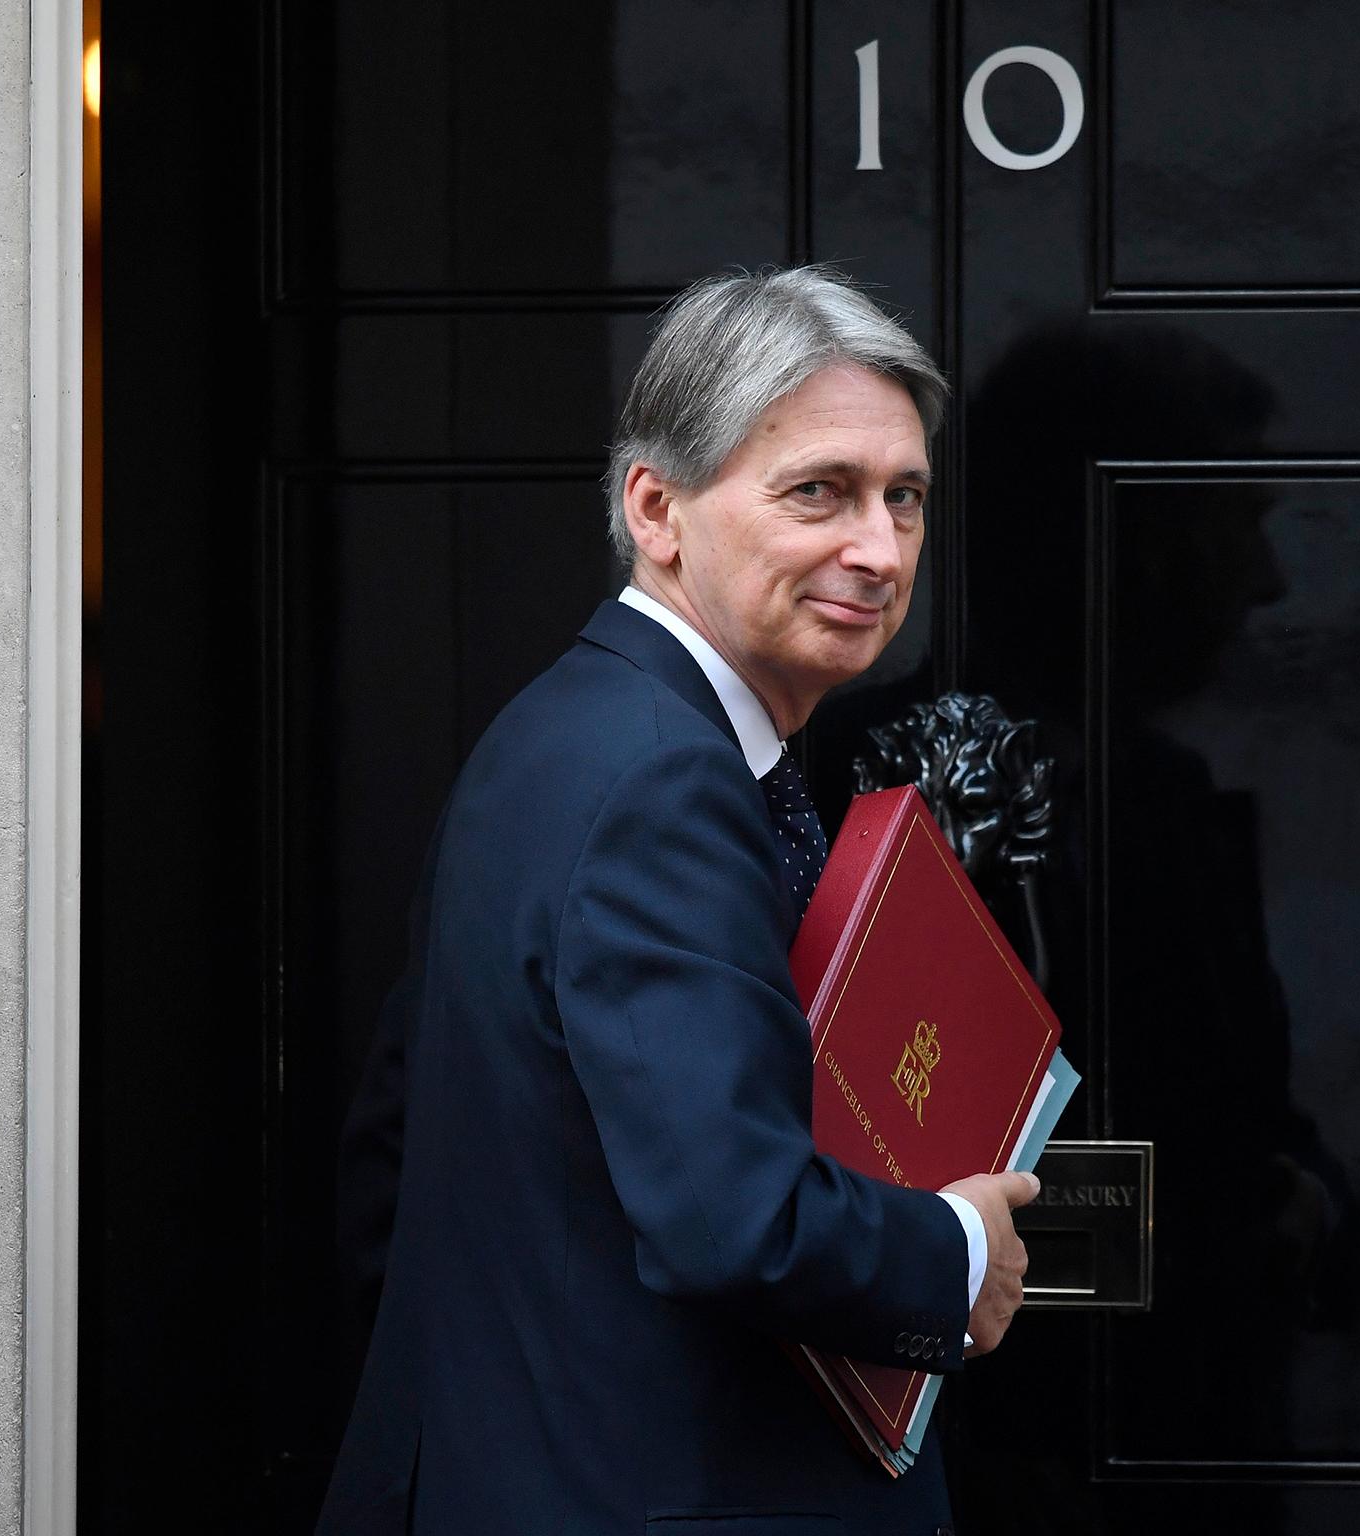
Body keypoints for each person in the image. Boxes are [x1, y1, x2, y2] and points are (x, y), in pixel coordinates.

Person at [317, 267, 1039, 1536]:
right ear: (656, 508)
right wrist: (956, 1250)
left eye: (904, 498)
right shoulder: (662, 776)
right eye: (818, 491)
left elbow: (397, 1155)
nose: (877, 549)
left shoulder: (572, 730)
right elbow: (733, 1219)